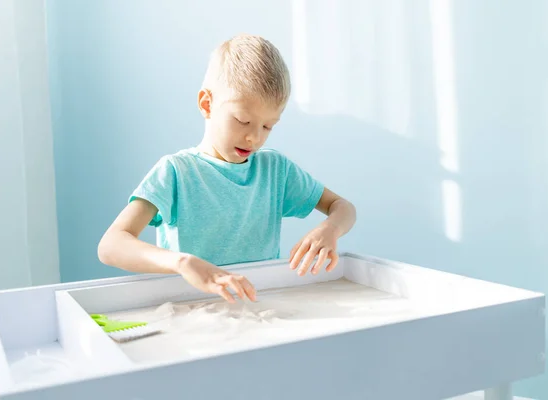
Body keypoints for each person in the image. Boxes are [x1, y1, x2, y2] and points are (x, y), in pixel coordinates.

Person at [98, 34, 356, 303]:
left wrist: (330, 229)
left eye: (268, 126)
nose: (255, 138)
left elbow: (343, 207)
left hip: (259, 306)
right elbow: (111, 245)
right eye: (242, 120)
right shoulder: (176, 172)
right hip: (192, 308)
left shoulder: (275, 170)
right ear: (207, 104)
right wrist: (183, 263)